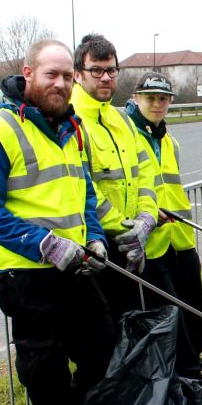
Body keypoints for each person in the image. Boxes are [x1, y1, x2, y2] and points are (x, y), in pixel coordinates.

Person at [0, 39, 125, 405]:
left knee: (103, 353)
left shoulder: (71, 129)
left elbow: (84, 194)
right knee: (47, 376)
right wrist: (45, 244)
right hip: (29, 278)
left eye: (66, 77)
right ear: (28, 73)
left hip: (76, 268)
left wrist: (93, 235)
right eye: (50, 74)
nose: (59, 83)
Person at [71, 34, 159, 321]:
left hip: (131, 242)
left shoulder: (121, 119)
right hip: (98, 247)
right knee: (103, 341)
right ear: (77, 74)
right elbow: (84, 186)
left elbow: (146, 172)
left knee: (131, 329)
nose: (106, 77)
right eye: (96, 70)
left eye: (111, 70)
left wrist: (146, 220)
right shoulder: (71, 120)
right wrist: (123, 228)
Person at [126, 72, 202, 377]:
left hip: (181, 239)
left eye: (163, 99)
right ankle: (186, 378)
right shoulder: (129, 138)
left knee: (195, 315)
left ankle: (191, 375)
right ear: (137, 99)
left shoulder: (168, 140)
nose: (158, 104)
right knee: (171, 320)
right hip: (153, 246)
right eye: (150, 98)